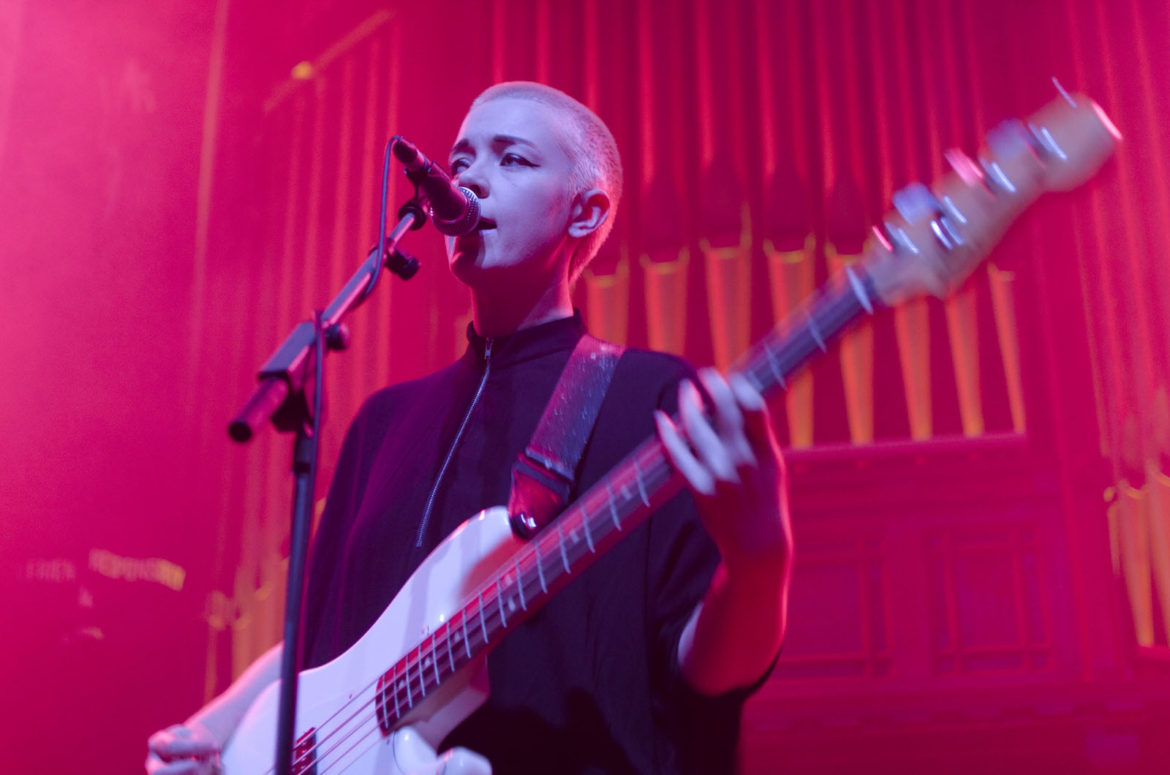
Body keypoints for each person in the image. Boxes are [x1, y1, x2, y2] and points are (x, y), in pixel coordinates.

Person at [147, 81, 793, 775]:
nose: (469, 180)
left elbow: (706, 668)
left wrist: (761, 567)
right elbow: (318, 652)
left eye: (511, 159)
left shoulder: (655, 398)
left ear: (585, 212)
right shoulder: (381, 424)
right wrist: (212, 734)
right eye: (460, 163)